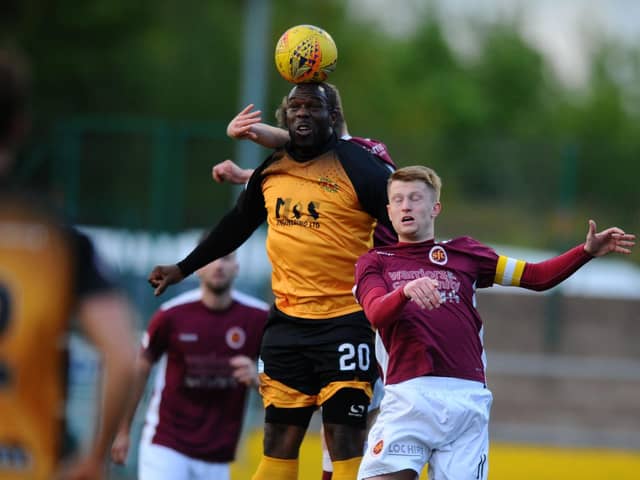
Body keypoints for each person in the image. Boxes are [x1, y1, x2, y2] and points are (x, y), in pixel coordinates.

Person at [148, 82, 395, 480]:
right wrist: (184, 267)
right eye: (294, 107)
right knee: (278, 442)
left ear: (332, 117)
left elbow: (403, 220)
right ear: (285, 116)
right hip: (287, 326)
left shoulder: (360, 166)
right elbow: (236, 226)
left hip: (346, 320)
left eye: (312, 107)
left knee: (344, 442)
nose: (301, 113)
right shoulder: (272, 168)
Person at [353, 165, 636, 480]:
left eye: (416, 198)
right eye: (398, 199)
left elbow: (537, 277)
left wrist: (585, 252)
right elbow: (375, 313)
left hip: (466, 400)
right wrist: (405, 292)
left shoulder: (465, 253)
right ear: (389, 211)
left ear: (435, 208)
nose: (406, 205)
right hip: (409, 398)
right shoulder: (374, 262)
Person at [0, 49, 137, 480]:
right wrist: (93, 459)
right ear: (20, 127)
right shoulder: (56, 237)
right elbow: (124, 360)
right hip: (30, 460)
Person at [110, 252, 268, 480]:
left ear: (237, 267)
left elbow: (278, 375)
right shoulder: (171, 315)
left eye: (227, 259)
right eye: (212, 258)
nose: (219, 265)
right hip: (166, 445)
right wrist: (123, 430)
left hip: (218, 454)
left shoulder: (259, 318)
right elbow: (140, 369)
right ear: (198, 268)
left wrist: (257, 378)